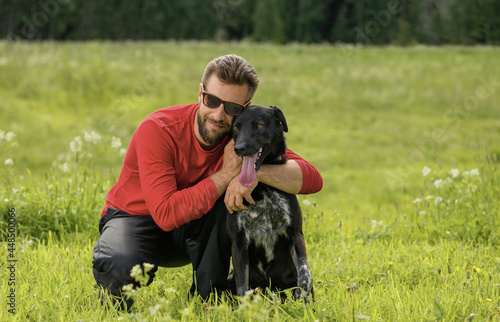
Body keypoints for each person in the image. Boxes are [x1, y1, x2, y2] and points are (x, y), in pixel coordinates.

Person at [92, 54, 323, 310]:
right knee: (120, 263)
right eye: (211, 100)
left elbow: (312, 178)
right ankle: (113, 305)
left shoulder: (239, 137)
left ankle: (210, 299)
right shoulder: (159, 129)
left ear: (245, 108)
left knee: (229, 203)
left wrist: (254, 173)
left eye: (232, 108)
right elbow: (165, 214)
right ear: (201, 93)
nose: (218, 114)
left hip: (192, 229)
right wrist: (225, 175)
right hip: (135, 218)